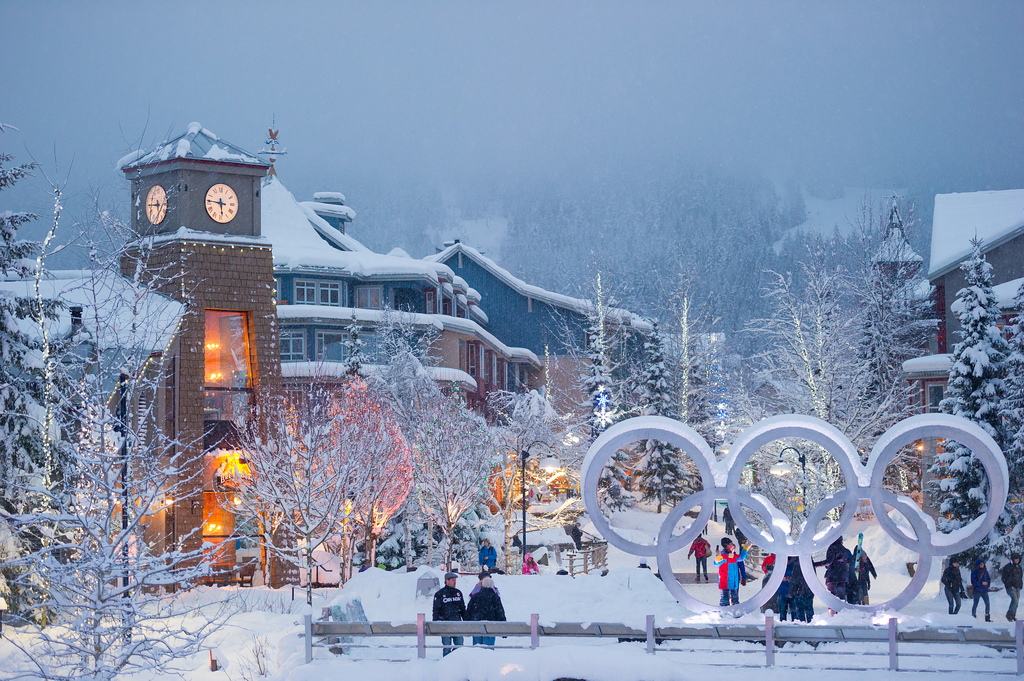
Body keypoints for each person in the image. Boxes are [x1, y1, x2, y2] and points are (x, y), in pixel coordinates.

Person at [432, 571, 466, 656]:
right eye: (452, 580)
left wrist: (466, 620)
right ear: (447, 581)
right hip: (445, 624)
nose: (455, 582)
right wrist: (435, 623)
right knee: (447, 646)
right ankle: (446, 664)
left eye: (455, 580)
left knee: (460, 645)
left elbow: (462, 608)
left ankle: (458, 661)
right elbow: (436, 610)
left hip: (457, 623)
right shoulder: (439, 594)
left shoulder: (458, 593)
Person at [814, 536, 852, 611]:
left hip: (833, 576)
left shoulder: (832, 547)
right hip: (843, 577)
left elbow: (829, 561)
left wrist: (815, 564)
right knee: (841, 598)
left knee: (832, 599)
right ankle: (842, 615)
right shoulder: (843, 549)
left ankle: (833, 617)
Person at [466, 576, 506, 646]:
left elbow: (469, 611)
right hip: (490, 626)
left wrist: (468, 623)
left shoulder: (475, 596)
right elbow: (500, 612)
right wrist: (503, 628)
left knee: (477, 648)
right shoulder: (495, 597)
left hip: (476, 625)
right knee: (488, 649)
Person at [714, 537, 746, 606]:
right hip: (725, 583)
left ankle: (736, 612)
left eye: (733, 544)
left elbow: (741, 558)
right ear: (726, 546)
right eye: (731, 544)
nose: (733, 545)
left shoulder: (734, 556)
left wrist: (746, 547)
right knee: (725, 600)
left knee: (735, 599)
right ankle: (724, 613)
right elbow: (716, 563)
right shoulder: (723, 556)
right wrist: (718, 556)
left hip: (734, 583)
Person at [1001, 553, 1023, 622]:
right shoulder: (1008, 567)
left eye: (1018, 559)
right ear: (1013, 559)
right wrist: (1008, 585)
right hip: (1010, 587)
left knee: (1016, 602)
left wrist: (1020, 584)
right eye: (1015, 559)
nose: (1017, 560)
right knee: (1015, 600)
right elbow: (1004, 578)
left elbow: (1020, 576)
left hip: (1017, 586)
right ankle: (1009, 615)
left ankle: (1012, 615)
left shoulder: (1019, 567)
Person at [971, 558, 992, 622]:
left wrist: (987, 585)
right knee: (975, 604)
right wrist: (981, 583)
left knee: (987, 603)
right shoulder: (974, 572)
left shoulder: (985, 571)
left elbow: (988, 579)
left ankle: (987, 616)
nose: (982, 565)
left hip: (984, 591)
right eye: (980, 564)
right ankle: (973, 616)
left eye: (982, 564)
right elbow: (973, 582)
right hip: (977, 591)